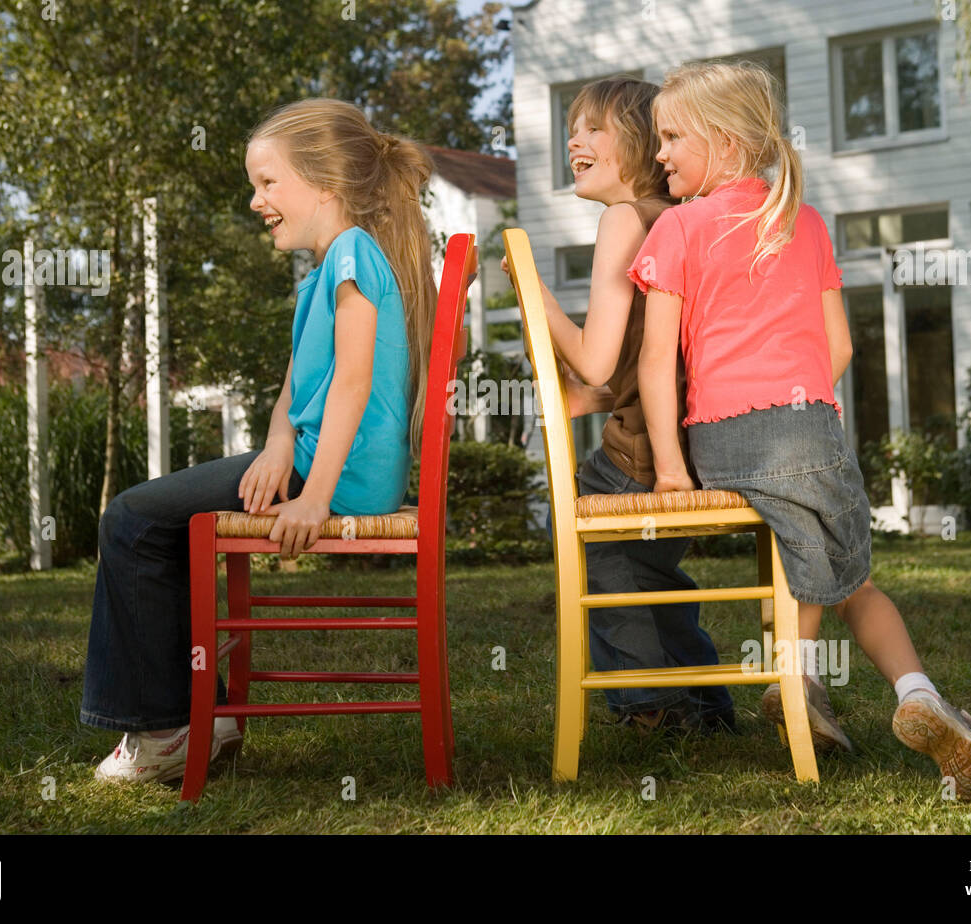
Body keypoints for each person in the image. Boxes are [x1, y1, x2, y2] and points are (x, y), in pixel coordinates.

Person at [631, 60, 971, 797]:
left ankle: (800, 681)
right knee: (853, 579)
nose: (660, 152)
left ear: (730, 144)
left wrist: (673, 466)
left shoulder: (677, 228)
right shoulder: (803, 223)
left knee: (801, 546)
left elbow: (657, 360)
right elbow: (839, 348)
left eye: (674, 136)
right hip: (806, 428)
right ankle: (919, 696)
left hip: (722, 441)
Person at [82, 98, 436, 783]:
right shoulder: (324, 271)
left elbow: (352, 386)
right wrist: (277, 447)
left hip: (335, 474)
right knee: (156, 523)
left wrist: (316, 498)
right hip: (306, 461)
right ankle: (194, 718)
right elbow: (292, 393)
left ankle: (169, 729)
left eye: (268, 182)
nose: (255, 201)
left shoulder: (354, 257)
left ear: (326, 184)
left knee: (129, 520)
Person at [510, 76, 735, 734]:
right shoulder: (681, 220)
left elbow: (596, 359)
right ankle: (706, 707)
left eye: (592, 128)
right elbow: (639, 365)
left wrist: (534, 294)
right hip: (699, 455)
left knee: (599, 551)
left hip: (638, 459)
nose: (573, 140)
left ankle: (649, 706)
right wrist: (586, 396)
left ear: (638, 143)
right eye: (571, 127)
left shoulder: (622, 219)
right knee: (646, 570)